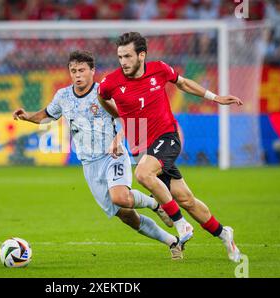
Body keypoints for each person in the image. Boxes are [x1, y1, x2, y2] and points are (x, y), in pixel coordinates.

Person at [13, 50, 184, 259]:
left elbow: (127, 116)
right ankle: (172, 241)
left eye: (82, 70)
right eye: (73, 70)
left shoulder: (104, 92)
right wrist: (27, 116)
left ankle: (155, 203)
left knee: (120, 196)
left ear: (92, 71)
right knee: (126, 215)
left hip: (112, 156)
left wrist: (119, 138)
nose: (77, 75)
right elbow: (46, 116)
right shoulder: (63, 96)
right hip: (89, 165)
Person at [98, 32, 242, 262]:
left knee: (143, 174)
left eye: (127, 56)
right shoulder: (110, 83)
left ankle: (181, 224)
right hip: (142, 146)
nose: (123, 62)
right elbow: (102, 98)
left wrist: (215, 97)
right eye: (120, 57)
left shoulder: (159, 69)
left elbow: (183, 83)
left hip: (167, 136)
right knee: (187, 200)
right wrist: (121, 122)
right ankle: (224, 233)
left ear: (141, 55)